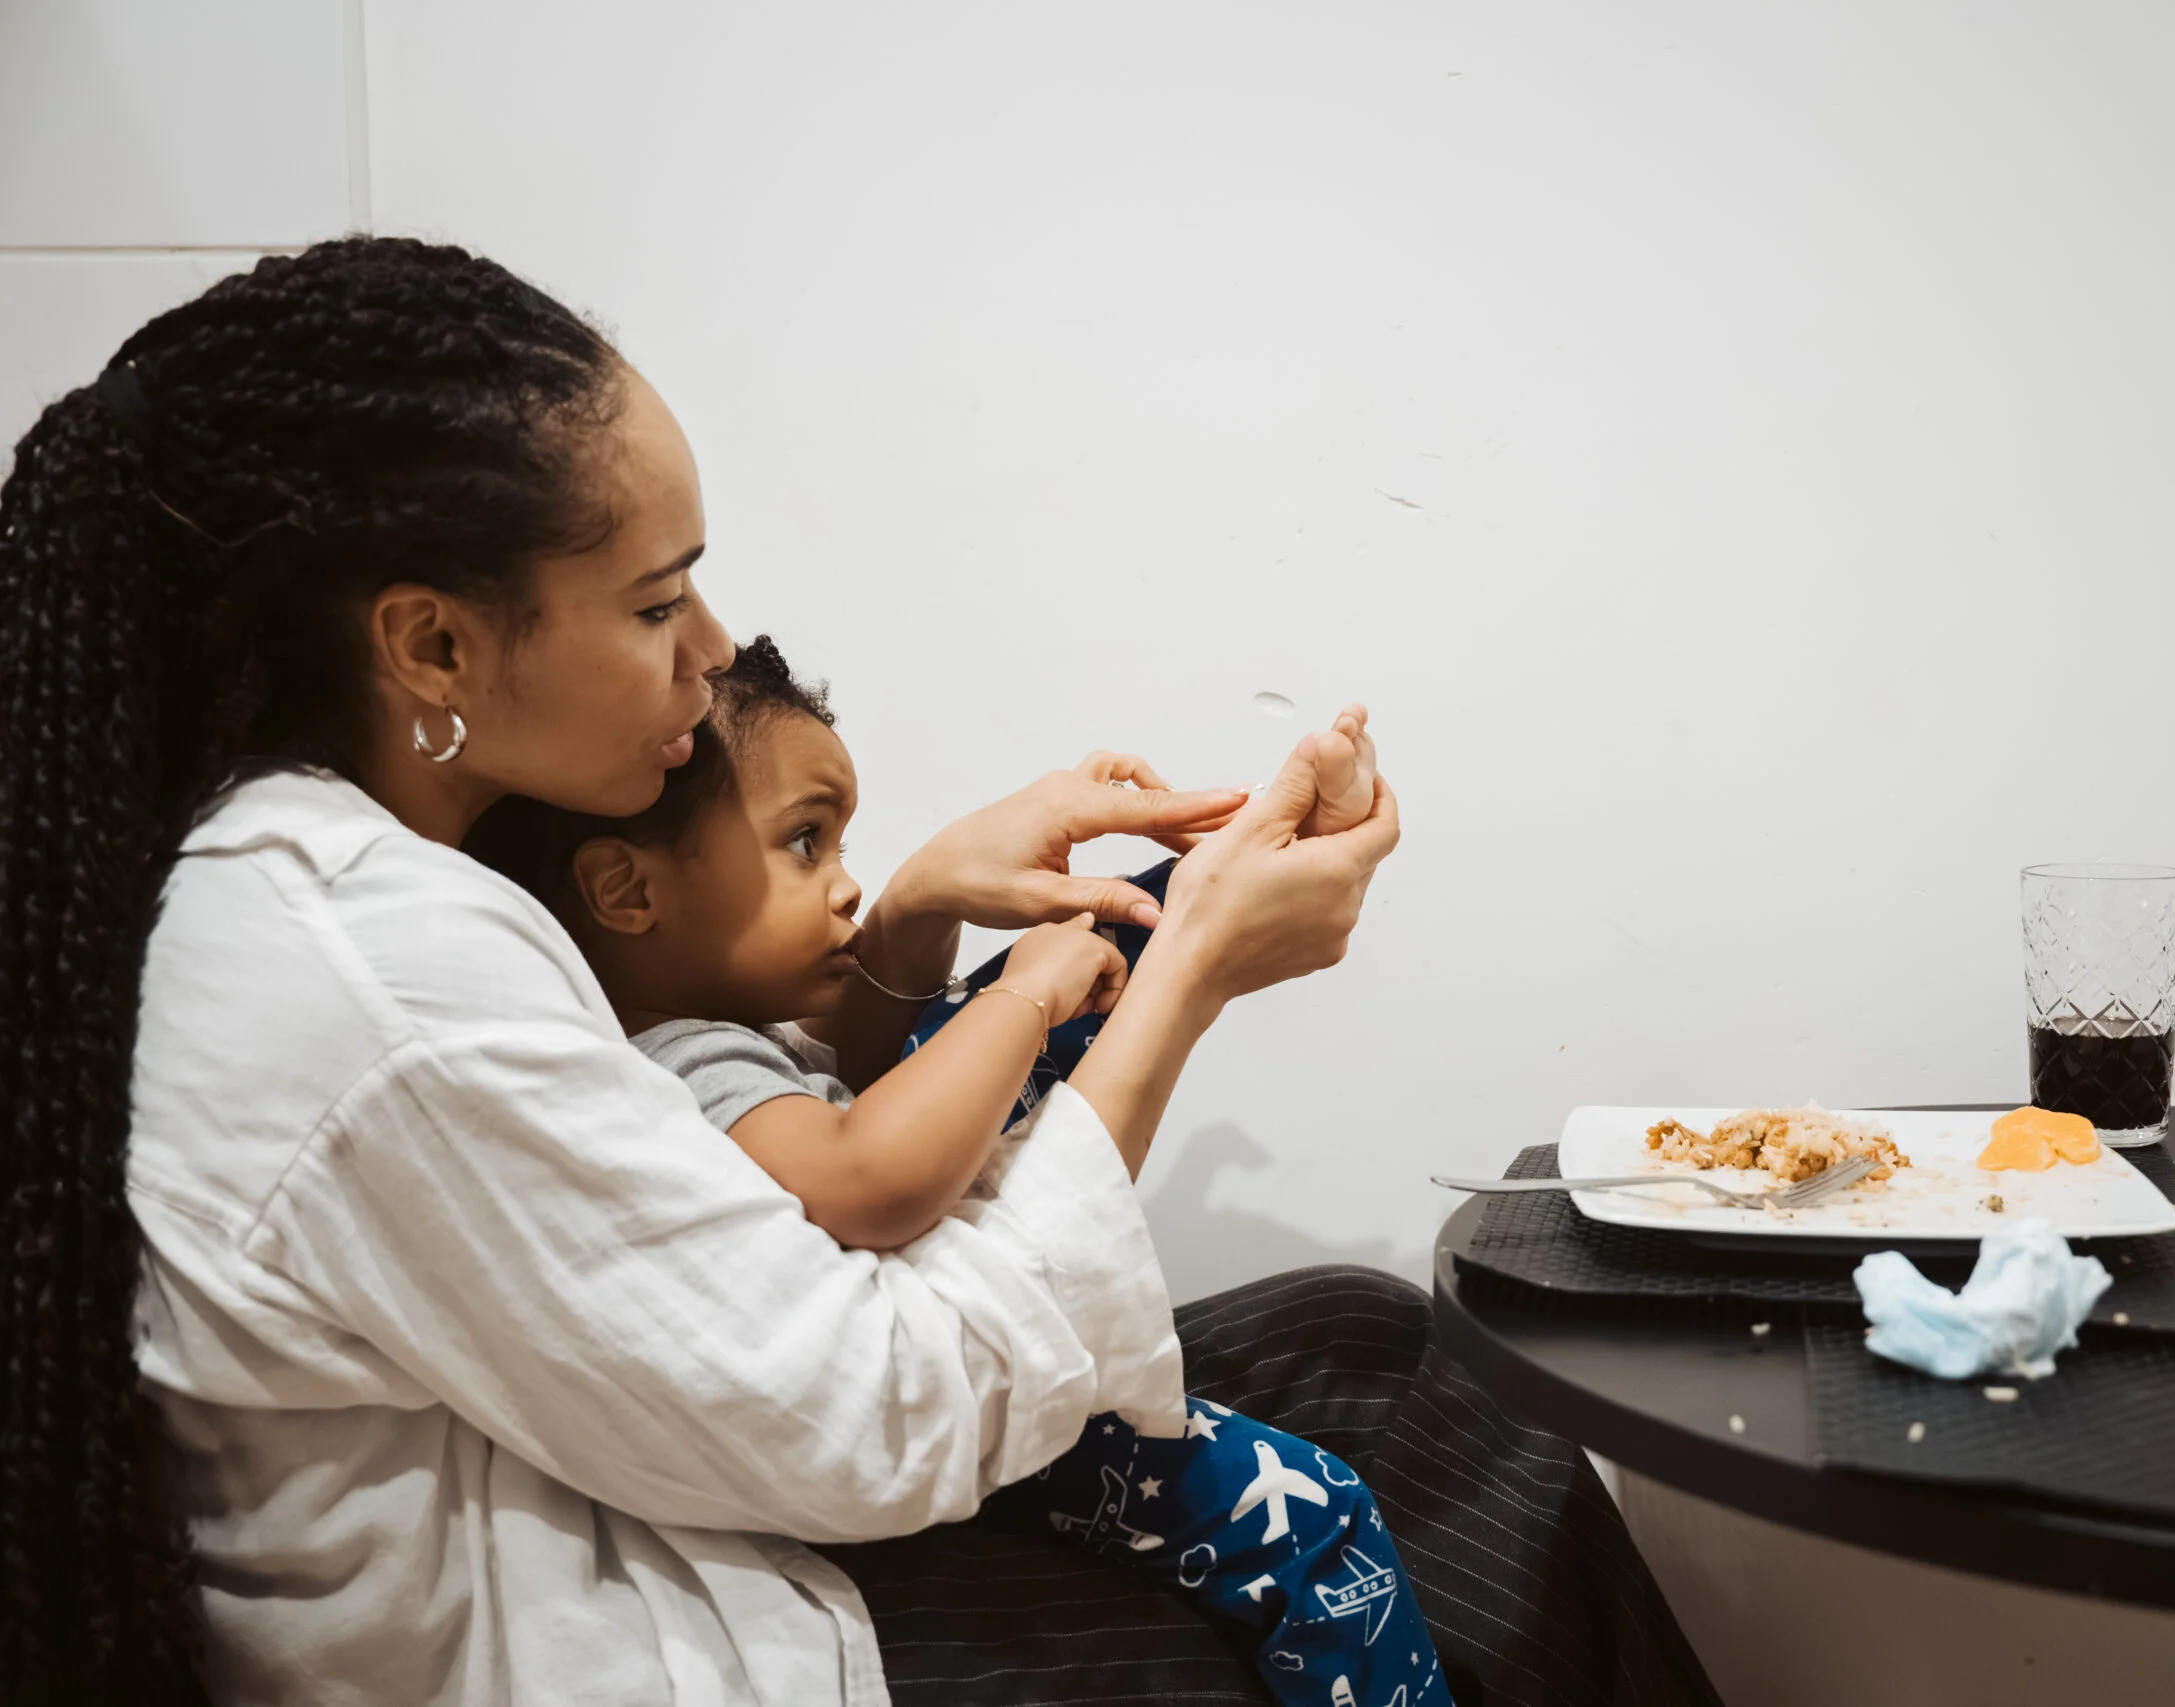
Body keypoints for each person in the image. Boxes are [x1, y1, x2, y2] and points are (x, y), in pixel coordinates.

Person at [0, 236, 1716, 1706]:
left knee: (1366, 1339)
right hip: (665, 1627)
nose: (712, 647)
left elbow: (698, 1163)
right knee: (1404, 1526)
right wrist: (1173, 967)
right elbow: (867, 1401)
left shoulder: (368, 871)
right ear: (433, 642)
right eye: (655, 598)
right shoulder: (374, 964)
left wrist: (905, 926)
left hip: (691, 1500)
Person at [470, 634, 1447, 1707]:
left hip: (917, 1380)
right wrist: (1019, 999)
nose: (846, 888)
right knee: (1319, 1518)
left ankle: (1252, 849)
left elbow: (871, 1062)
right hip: (941, 1418)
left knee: (1069, 966)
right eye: (805, 844)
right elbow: (865, 1181)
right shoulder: (683, 1063)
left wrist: (966, 933)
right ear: (625, 890)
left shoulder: (703, 1036)